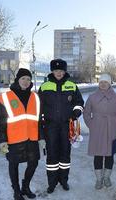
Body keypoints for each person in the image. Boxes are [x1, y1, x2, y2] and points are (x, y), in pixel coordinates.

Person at [0, 68, 43, 200]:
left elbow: (38, 120)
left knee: (33, 163)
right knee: (13, 164)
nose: (26, 81)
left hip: (32, 137)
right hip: (14, 139)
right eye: (23, 78)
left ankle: (25, 187)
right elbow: (1, 122)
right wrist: (2, 140)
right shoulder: (7, 97)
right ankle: (16, 191)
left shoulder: (35, 97)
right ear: (18, 80)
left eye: (28, 79)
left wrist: (41, 137)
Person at [38, 59, 84, 193]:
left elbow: (79, 102)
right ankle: (51, 183)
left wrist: (76, 111)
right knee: (52, 155)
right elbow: (39, 107)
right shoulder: (44, 86)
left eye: (61, 70)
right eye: (56, 70)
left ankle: (64, 180)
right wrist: (41, 123)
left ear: (65, 71)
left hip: (66, 126)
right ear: (52, 71)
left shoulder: (72, 86)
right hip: (50, 126)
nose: (59, 73)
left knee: (65, 154)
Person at [83, 73, 116, 190]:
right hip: (97, 129)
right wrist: (92, 125)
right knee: (98, 155)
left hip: (113, 128)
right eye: (101, 82)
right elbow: (86, 113)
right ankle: (99, 179)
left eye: (105, 82)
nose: (103, 84)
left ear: (109, 83)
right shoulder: (92, 97)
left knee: (110, 155)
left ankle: (107, 177)